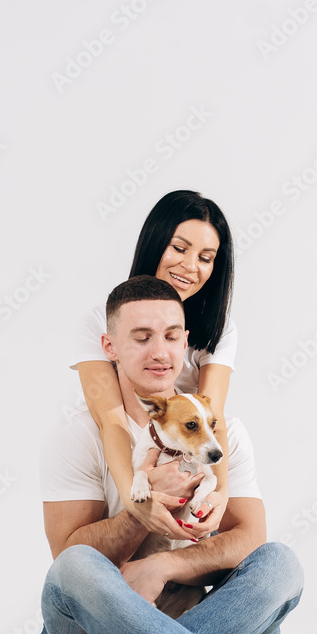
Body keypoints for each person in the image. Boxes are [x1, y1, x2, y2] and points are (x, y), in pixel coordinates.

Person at [39, 275, 317, 634]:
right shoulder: (78, 436)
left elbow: (248, 540)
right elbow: (69, 562)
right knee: (74, 565)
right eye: (141, 337)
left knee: (281, 563)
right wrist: (139, 511)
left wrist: (164, 566)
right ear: (109, 346)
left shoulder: (223, 434)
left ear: (186, 341)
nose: (160, 352)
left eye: (172, 336)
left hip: (185, 613)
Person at [71, 190, 236, 544]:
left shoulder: (218, 329)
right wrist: (137, 499)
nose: (190, 266)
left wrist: (219, 493)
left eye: (205, 257)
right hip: (130, 456)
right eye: (179, 248)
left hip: (189, 458)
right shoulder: (100, 320)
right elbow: (111, 419)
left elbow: (213, 416)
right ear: (154, 242)